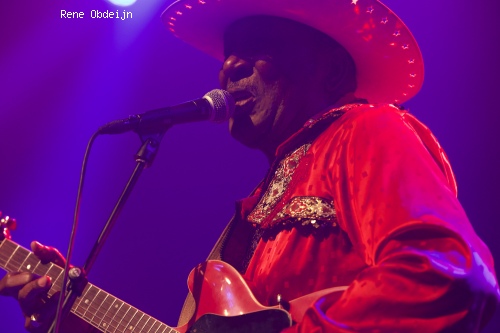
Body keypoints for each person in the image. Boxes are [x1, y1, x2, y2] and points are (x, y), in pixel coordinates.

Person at [1, 0, 499, 332]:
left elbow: (448, 274)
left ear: (331, 71)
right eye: (227, 53)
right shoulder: (249, 214)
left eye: (259, 46)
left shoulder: (365, 131)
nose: (228, 67)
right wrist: (67, 316)